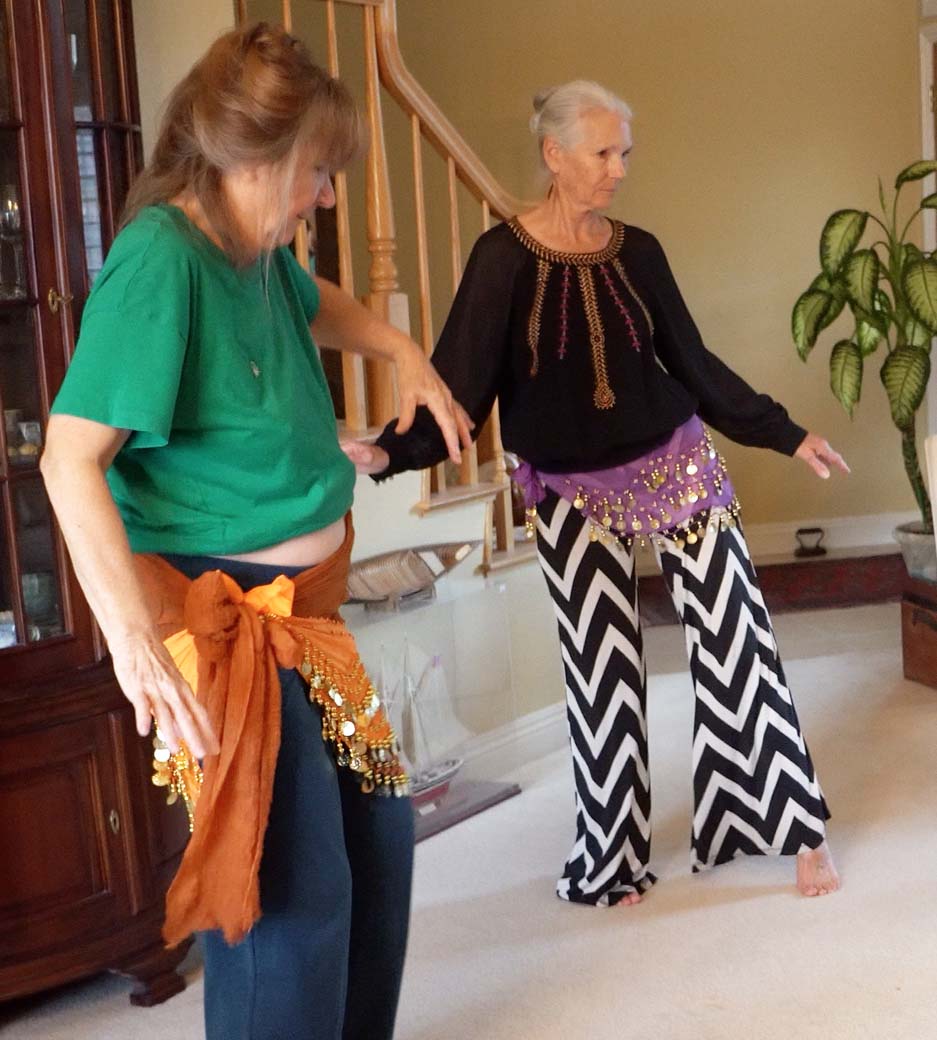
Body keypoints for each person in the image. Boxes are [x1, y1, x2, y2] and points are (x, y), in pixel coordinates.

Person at [40, 22, 472, 1040]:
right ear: (252, 158)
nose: (325, 195)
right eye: (316, 171)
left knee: (377, 829)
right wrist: (137, 646)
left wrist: (401, 346)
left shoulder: (252, 247)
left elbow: (312, 301)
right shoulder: (162, 259)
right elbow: (67, 457)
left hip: (305, 620)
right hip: (221, 617)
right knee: (284, 881)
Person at [345, 80, 844, 908]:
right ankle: (610, 857)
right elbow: (460, 392)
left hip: (675, 465)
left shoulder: (637, 251)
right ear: (554, 154)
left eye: (624, 152)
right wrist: (388, 453)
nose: (618, 169)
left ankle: (795, 828)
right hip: (569, 490)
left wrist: (785, 432)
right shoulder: (500, 260)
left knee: (738, 649)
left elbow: (693, 362)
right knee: (600, 673)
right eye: (603, 152)